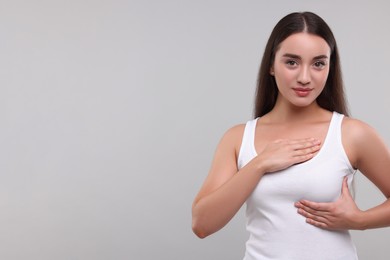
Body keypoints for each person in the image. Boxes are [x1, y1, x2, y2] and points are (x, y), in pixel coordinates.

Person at [191, 11, 390, 260]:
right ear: (271, 66)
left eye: (318, 63)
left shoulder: (352, 133)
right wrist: (261, 163)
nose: (304, 78)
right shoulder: (238, 138)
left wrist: (359, 220)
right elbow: (202, 224)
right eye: (292, 62)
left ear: (330, 67)